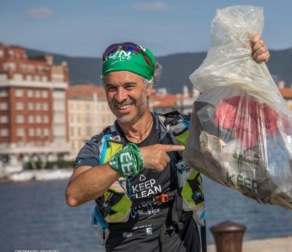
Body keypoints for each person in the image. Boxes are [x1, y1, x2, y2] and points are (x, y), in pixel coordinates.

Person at [65, 34, 270, 252]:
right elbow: (74, 194)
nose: (120, 96)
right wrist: (129, 160)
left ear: (148, 87)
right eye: (111, 88)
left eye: (129, 86)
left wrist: (251, 67)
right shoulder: (100, 147)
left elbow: (239, 116)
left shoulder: (182, 130)